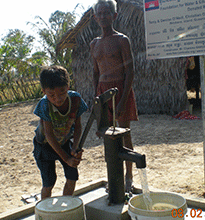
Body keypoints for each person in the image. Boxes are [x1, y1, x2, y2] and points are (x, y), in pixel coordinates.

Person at [90, 0, 138, 192]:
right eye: (99, 14)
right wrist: (96, 97)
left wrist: (123, 100)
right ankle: (113, 176)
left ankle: (129, 177)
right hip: (102, 91)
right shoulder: (94, 43)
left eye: (107, 13)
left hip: (120, 90)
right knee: (107, 136)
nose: (103, 17)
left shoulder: (122, 40)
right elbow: (95, 72)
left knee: (124, 133)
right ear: (95, 18)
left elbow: (130, 71)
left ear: (114, 15)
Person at [33, 65, 88, 200]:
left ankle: (66, 207)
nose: (57, 99)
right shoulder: (45, 105)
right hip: (44, 145)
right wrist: (67, 158)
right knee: (49, 182)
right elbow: (49, 136)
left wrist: (75, 147)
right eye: (51, 95)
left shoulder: (75, 100)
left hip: (64, 142)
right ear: (44, 91)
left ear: (68, 87)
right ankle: (45, 212)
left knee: (72, 176)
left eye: (62, 92)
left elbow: (78, 126)